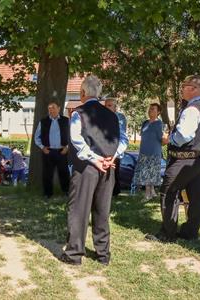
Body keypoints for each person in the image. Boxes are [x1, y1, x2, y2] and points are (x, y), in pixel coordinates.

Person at [61, 75, 128, 266]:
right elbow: (123, 140)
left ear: (83, 93)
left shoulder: (79, 113)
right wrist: (111, 158)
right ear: (98, 94)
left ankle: (74, 254)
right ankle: (103, 254)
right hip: (109, 167)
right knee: (102, 210)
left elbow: (76, 139)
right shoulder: (113, 115)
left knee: (79, 211)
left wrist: (95, 159)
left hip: (86, 168)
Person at [146, 75, 200, 242]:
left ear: (193, 89)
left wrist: (170, 138)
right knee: (197, 196)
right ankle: (190, 233)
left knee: (168, 192)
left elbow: (184, 135)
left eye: (184, 86)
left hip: (184, 159)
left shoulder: (192, 109)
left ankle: (167, 234)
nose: (181, 89)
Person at [34, 101, 70, 198]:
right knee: (47, 174)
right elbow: (36, 137)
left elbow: (73, 136)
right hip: (48, 151)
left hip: (62, 151)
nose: (51, 110)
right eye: (49, 108)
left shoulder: (66, 121)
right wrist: (42, 147)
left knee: (64, 172)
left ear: (59, 108)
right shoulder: (43, 121)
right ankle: (47, 194)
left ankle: (66, 191)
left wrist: (67, 147)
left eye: (53, 107)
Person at [132, 103, 166, 201]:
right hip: (143, 151)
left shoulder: (159, 124)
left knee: (149, 173)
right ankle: (152, 192)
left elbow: (162, 139)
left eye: (153, 109)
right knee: (145, 172)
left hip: (154, 152)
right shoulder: (145, 123)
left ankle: (148, 194)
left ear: (158, 112)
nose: (150, 110)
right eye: (150, 109)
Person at [104, 98, 127, 196]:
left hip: (115, 149)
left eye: (109, 105)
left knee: (114, 172)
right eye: (106, 105)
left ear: (115, 107)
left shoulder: (120, 117)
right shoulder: (102, 116)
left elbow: (121, 133)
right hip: (103, 149)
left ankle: (115, 192)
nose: (107, 107)